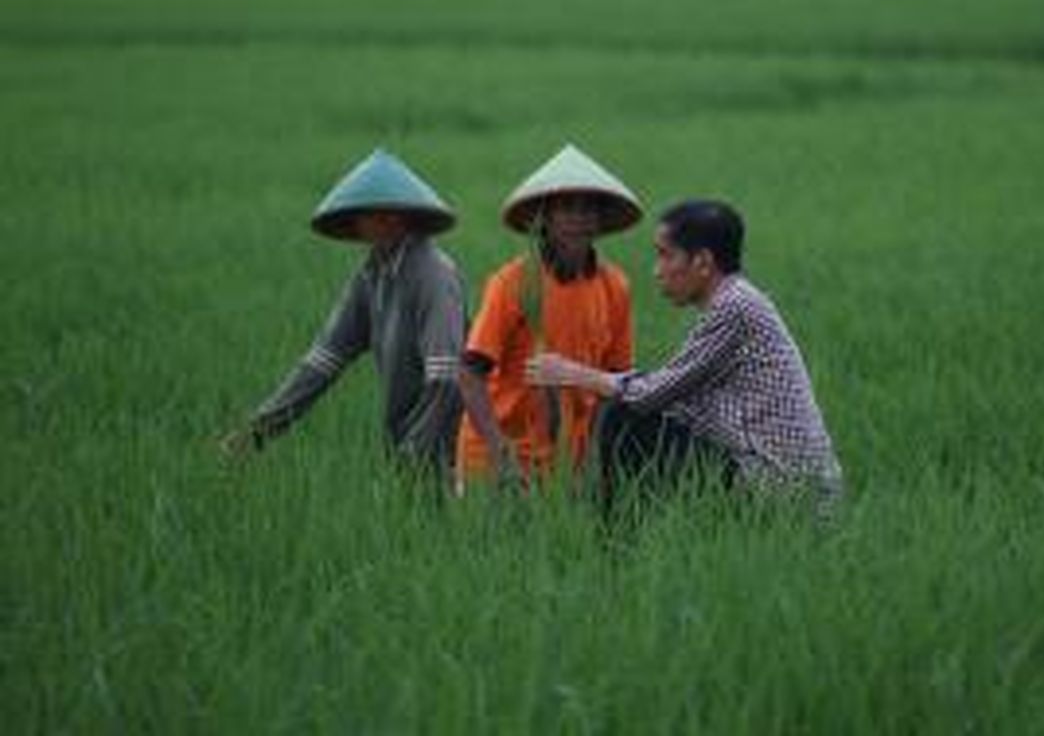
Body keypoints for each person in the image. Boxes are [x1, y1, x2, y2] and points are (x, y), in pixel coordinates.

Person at [527, 199, 843, 520]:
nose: (657, 271)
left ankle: (609, 539)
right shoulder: (737, 301)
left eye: (665, 255)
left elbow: (654, 393)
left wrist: (576, 374)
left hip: (781, 490)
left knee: (622, 417)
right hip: (778, 482)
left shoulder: (735, 308)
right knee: (631, 413)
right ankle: (619, 531)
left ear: (703, 262)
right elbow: (679, 399)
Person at [220, 148, 467, 475]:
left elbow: (447, 379)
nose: (356, 227)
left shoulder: (433, 275)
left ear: (392, 216)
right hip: (405, 444)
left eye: (361, 216)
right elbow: (322, 363)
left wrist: (415, 453)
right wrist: (255, 434)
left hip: (451, 451)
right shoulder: (372, 274)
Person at [455, 144, 640, 490]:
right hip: (495, 459)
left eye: (587, 209)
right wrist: (500, 452)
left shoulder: (614, 286)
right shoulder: (514, 282)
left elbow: (615, 383)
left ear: (600, 220)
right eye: (566, 208)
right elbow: (469, 373)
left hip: (568, 465)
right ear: (545, 219)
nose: (578, 218)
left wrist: (596, 458)